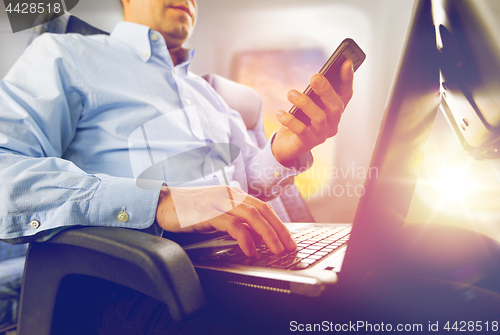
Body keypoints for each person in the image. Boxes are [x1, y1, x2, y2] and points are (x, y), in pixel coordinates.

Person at [0, 0, 354, 332]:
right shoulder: (67, 56)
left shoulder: (208, 93)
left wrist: (286, 150)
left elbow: (244, 181)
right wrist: (161, 201)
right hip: (142, 280)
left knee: (369, 284)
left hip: (236, 260)